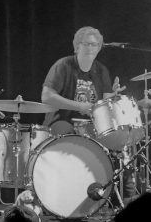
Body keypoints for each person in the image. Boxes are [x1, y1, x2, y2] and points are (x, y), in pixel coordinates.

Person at [40, 26, 134, 200]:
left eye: (95, 44)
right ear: (77, 46)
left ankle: (123, 198)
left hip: (92, 126)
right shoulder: (63, 65)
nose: (91, 48)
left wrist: (114, 96)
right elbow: (46, 96)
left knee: (118, 142)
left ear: (99, 48)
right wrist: (79, 106)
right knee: (66, 134)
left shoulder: (101, 71)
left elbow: (104, 105)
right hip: (62, 120)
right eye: (87, 44)